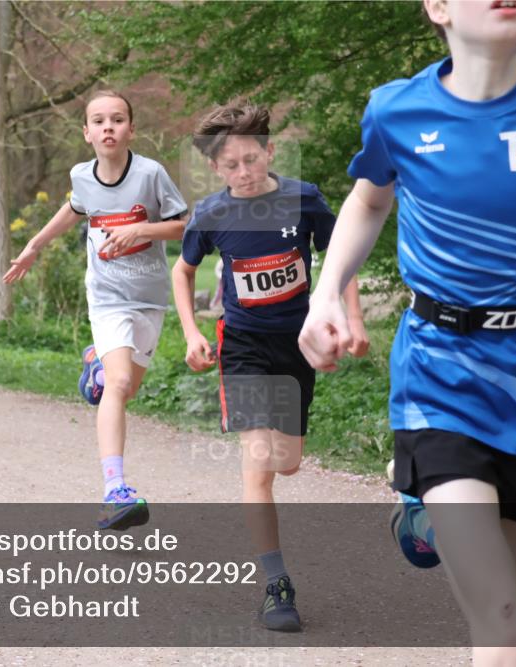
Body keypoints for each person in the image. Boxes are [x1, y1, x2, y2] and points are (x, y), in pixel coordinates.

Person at [298, 1, 516, 662]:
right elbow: (369, 199)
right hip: (441, 383)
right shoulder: (395, 110)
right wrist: (324, 294)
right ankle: (428, 488)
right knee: (508, 633)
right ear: (437, 7)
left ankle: (422, 508)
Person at [172, 101, 368, 632]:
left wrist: (351, 317)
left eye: (252, 160)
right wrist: (192, 332)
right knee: (259, 467)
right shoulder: (211, 214)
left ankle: (274, 565)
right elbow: (182, 272)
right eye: (231, 165)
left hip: (297, 345)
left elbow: (341, 258)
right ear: (216, 168)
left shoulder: (303, 200)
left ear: (270, 152)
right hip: (244, 347)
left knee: (289, 463)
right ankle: (275, 585)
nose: (244, 173)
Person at [2, 90, 187, 531]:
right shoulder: (82, 176)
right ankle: (114, 491)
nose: (109, 127)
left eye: (118, 119)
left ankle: (96, 371)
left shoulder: (151, 174)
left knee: (124, 389)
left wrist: (143, 228)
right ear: (87, 133)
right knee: (121, 383)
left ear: (131, 129)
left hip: (149, 297)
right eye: (99, 121)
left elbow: (183, 223)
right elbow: (74, 209)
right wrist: (33, 247)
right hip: (106, 297)